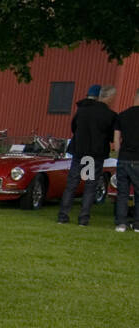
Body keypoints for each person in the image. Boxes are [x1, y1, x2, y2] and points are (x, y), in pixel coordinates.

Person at [57, 84, 116, 226]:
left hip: (79, 151)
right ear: (108, 97)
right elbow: (111, 136)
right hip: (95, 154)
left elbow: (74, 127)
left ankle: (63, 215)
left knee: (72, 184)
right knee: (90, 185)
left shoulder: (82, 110)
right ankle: (83, 218)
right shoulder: (110, 115)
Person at [114, 88, 139, 232]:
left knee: (122, 193)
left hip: (124, 158)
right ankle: (137, 224)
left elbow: (116, 139)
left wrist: (119, 154)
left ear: (134, 96)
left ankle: (121, 223)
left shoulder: (122, 115)